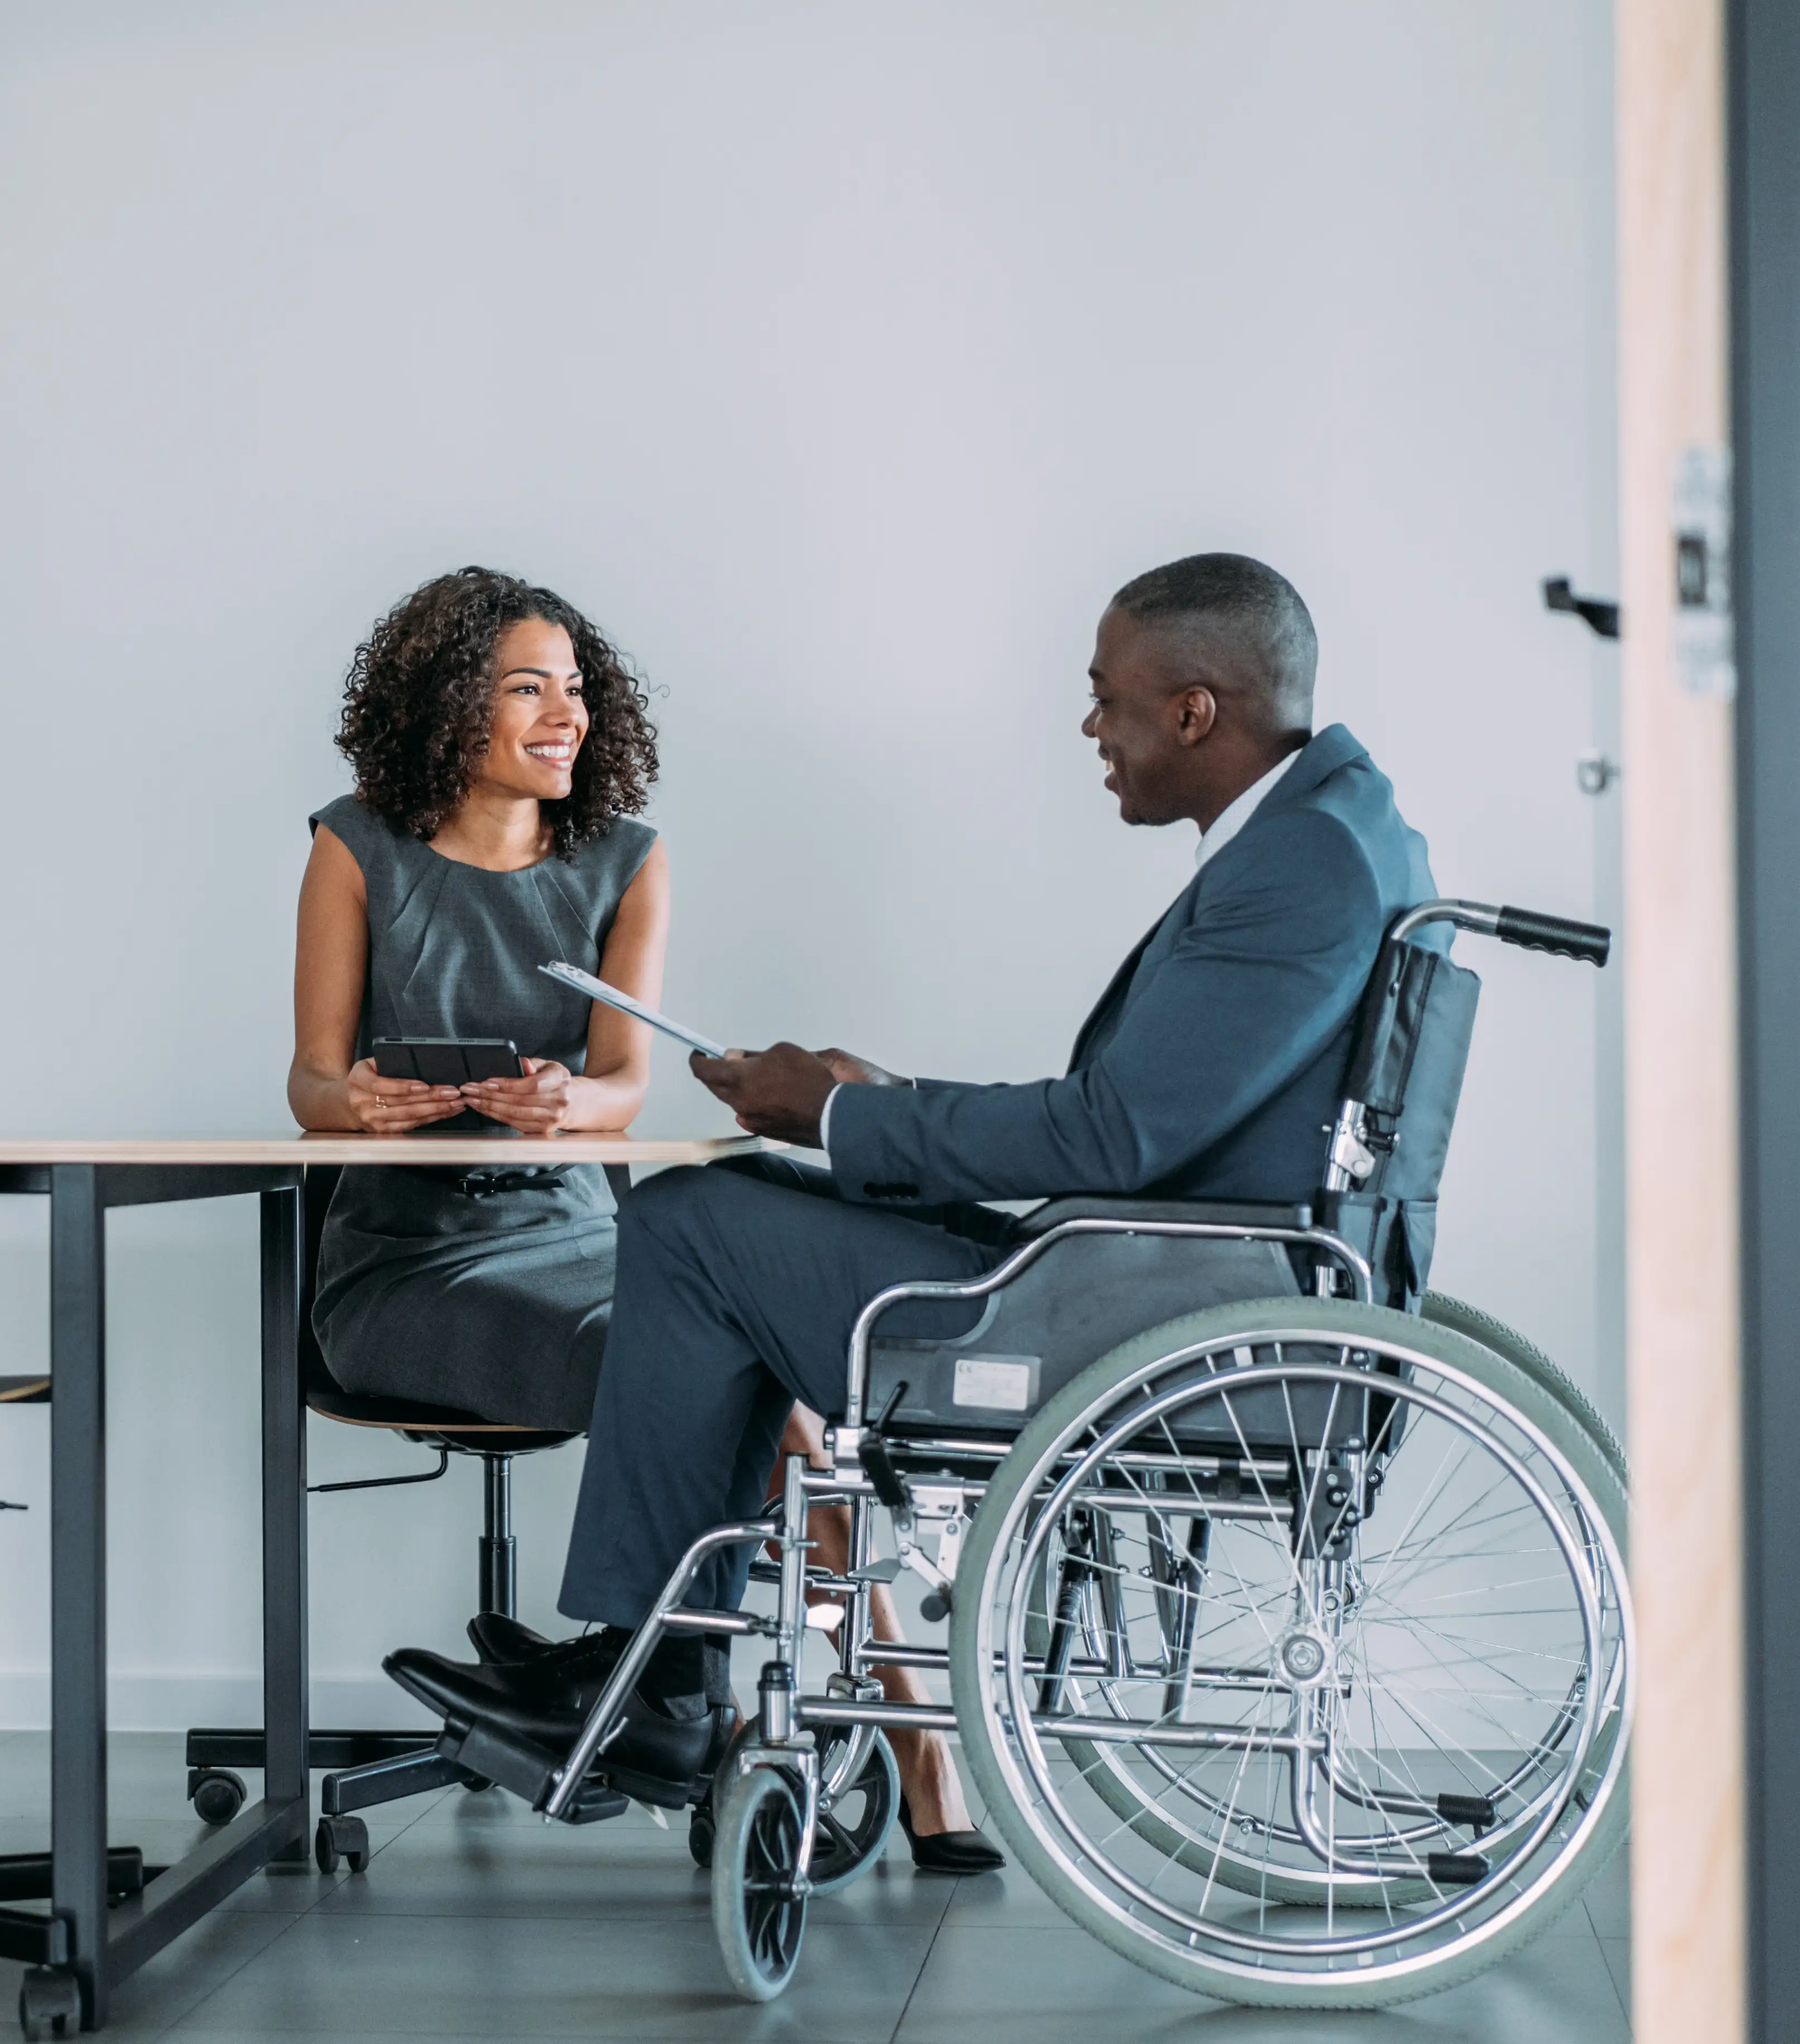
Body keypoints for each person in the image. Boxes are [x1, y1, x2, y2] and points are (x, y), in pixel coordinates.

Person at [382, 551, 1440, 1823]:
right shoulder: (1345, 829)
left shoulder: (1301, 861)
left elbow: (1113, 1136)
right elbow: (1147, 1118)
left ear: (1194, 710)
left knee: (691, 1221)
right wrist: (866, 1100)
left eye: (1105, 697)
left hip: (1143, 1313)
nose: (1091, 727)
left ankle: (659, 1681)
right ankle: (658, 1671)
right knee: (752, 1187)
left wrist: (842, 1114)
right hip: (1159, 1272)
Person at [287, 566, 667, 1432]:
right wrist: (353, 1100)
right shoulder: (354, 843)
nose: (566, 715)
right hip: (406, 1265)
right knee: (669, 1359)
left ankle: (831, 1531)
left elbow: (624, 1082)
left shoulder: (630, 860)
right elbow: (309, 1081)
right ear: (449, 708)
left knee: (748, 1344)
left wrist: (568, 1100)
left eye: (574, 689)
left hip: (583, 1237)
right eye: (528, 689)